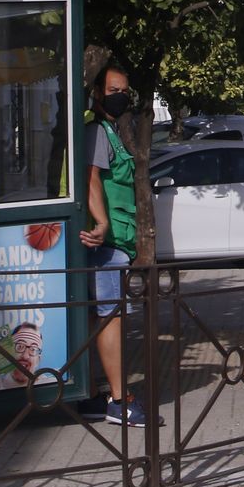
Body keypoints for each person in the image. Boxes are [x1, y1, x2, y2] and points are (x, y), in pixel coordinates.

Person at [77, 63, 146, 427]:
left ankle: (91, 395)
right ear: (98, 92)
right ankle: (120, 402)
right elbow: (91, 178)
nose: (121, 96)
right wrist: (102, 223)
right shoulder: (97, 131)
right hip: (106, 242)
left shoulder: (110, 130)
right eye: (113, 90)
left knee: (101, 317)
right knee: (111, 319)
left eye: (124, 90)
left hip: (114, 240)